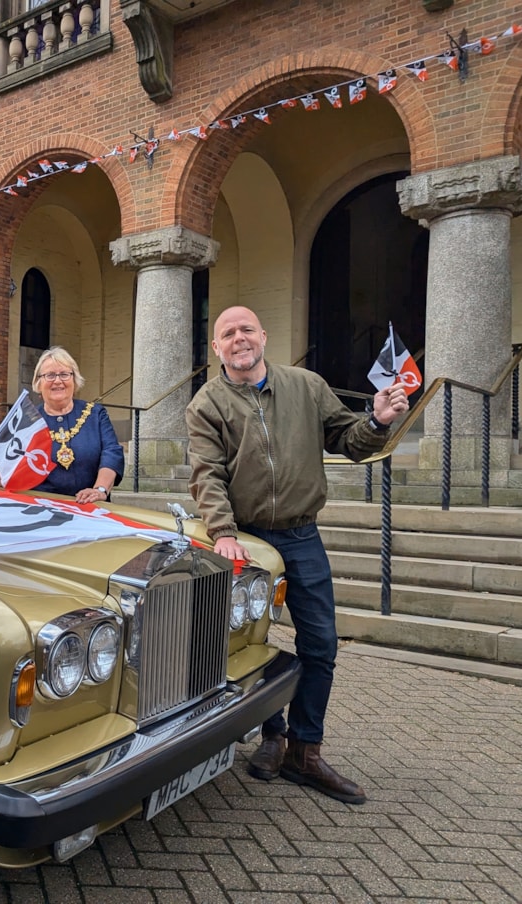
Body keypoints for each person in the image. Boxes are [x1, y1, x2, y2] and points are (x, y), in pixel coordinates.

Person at [186, 305, 409, 805]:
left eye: (246, 329)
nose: (239, 338)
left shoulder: (306, 386)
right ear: (216, 348)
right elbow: (208, 473)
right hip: (246, 541)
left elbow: (350, 441)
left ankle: (304, 752)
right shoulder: (207, 403)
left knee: (321, 645)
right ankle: (271, 735)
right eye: (227, 333)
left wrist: (377, 419)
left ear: (263, 336)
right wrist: (222, 530)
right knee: (248, 644)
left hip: (302, 535)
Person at [0, 346, 124, 504]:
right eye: (50, 375)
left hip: (91, 510)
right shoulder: (27, 420)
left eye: (64, 374)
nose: (57, 380)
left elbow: (112, 453)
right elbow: (10, 469)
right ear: (38, 383)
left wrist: (100, 490)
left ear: (74, 380)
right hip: (42, 511)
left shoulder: (95, 414)